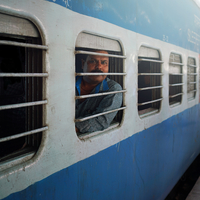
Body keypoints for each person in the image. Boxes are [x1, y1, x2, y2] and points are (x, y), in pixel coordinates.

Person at [75, 50, 122, 134]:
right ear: (83, 64)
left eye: (104, 62)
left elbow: (101, 120)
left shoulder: (113, 89)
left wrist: (71, 129)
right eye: (93, 61)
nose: (99, 67)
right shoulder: (67, 84)